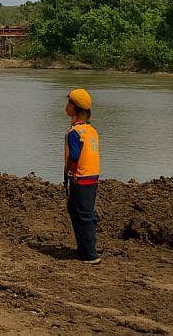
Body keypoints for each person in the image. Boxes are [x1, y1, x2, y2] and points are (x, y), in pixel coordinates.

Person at [64, 87, 101, 264]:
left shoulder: (74, 133)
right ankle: (85, 249)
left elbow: (74, 156)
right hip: (92, 177)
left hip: (80, 178)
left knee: (82, 215)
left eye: (68, 102)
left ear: (75, 108)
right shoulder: (91, 130)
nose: (66, 106)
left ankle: (90, 254)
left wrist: (69, 174)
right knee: (79, 212)